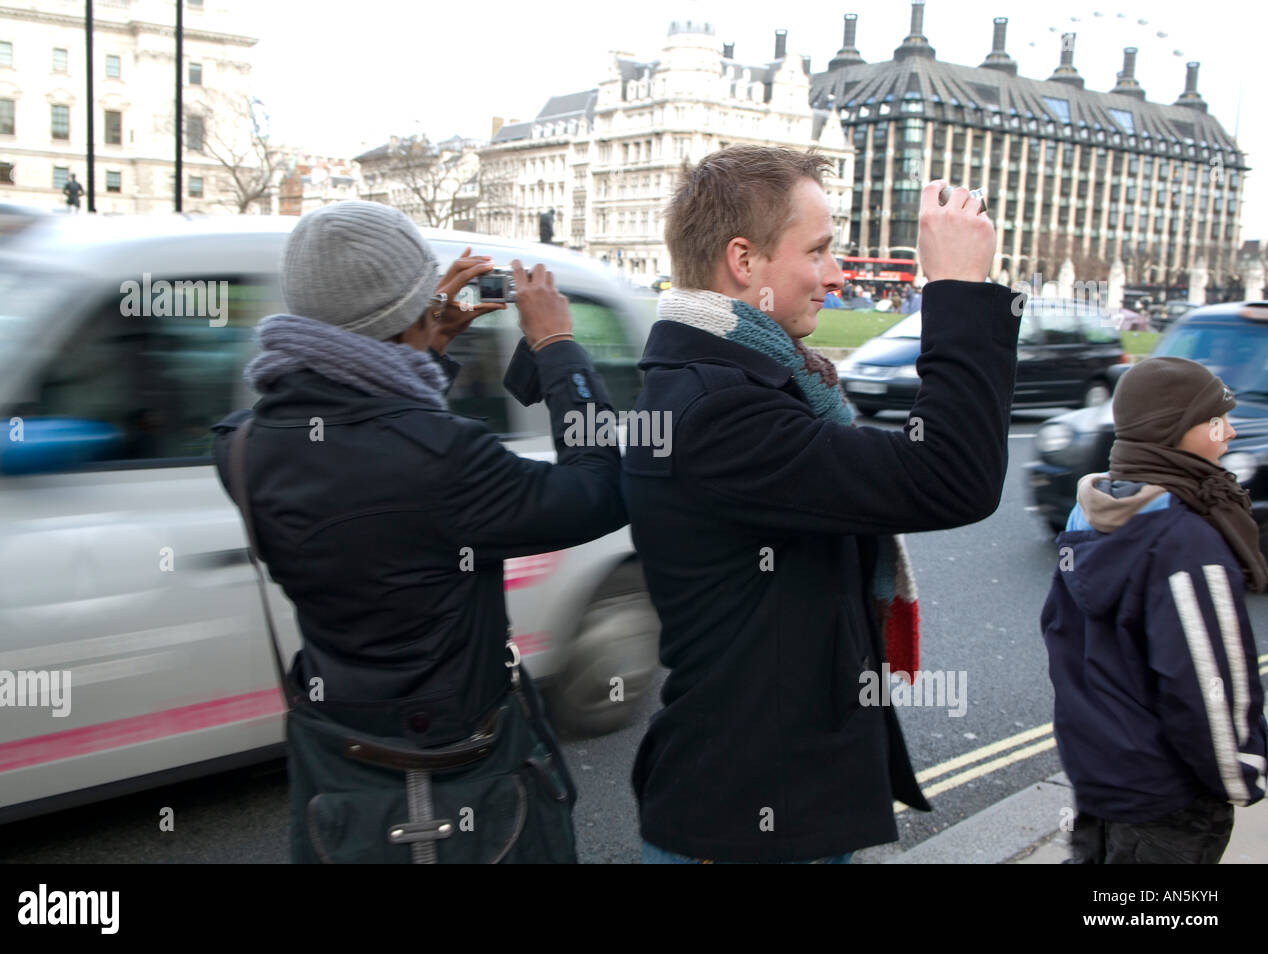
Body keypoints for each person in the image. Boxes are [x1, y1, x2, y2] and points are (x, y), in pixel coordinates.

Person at [622, 147, 1021, 863]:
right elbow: (950, 475)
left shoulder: (747, 384)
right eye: (819, 250)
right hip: (746, 827)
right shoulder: (720, 412)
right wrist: (958, 291)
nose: (837, 275)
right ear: (744, 262)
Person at [211, 200, 627, 862]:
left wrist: (415, 346)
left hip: (338, 777)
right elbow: (602, 491)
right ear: (410, 311)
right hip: (466, 785)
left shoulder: (240, 447)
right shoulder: (446, 459)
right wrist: (556, 347)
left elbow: (365, 441)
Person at [1042, 356, 1267, 864]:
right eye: (1215, 420)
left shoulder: (1090, 513)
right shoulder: (1187, 542)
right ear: (1174, 432)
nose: (1229, 432)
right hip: (1172, 797)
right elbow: (1203, 680)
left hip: (1102, 774)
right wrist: (1239, 770)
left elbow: (1063, 640)